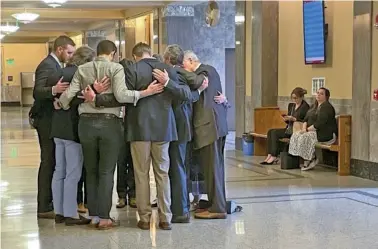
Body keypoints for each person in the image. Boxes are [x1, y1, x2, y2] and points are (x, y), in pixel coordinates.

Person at [58, 40, 163, 230]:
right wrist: (144, 93)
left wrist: (61, 104)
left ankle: (94, 215)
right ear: (113, 53)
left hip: (86, 124)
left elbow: (67, 96)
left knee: (90, 170)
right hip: (110, 124)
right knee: (106, 171)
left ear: (97, 52)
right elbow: (122, 96)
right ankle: (105, 218)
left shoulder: (82, 69)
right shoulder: (116, 68)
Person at [125, 42, 192, 230]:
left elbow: (125, 97)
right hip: (163, 129)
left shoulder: (132, 69)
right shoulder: (167, 69)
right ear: (150, 53)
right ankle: (165, 217)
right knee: (162, 173)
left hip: (139, 128)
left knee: (141, 174)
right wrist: (167, 83)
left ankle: (145, 218)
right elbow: (185, 94)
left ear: (135, 56)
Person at [153, 44, 208, 223]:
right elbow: (190, 95)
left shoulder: (173, 74)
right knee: (179, 168)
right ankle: (180, 208)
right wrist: (198, 91)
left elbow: (184, 93)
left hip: (176, 127)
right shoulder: (188, 76)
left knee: (176, 169)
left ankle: (181, 210)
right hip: (182, 126)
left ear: (167, 59)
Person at [48, 46, 96, 225]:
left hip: (57, 129)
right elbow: (83, 98)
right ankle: (70, 213)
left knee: (59, 170)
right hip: (73, 130)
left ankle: (59, 211)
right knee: (73, 173)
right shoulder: (81, 75)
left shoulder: (58, 73)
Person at [31, 35, 76, 219]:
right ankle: (44, 205)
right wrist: (53, 91)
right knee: (48, 160)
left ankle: (48, 202)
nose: (71, 56)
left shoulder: (55, 65)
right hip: (46, 121)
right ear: (60, 50)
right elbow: (37, 92)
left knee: (51, 161)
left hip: (50, 119)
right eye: (69, 52)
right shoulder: (48, 65)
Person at [182, 50, 228, 219]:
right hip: (215, 127)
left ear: (191, 60)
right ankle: (214, 203)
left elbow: (197, 85)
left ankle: (217, 208)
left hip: (209, 128)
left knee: (213, 169)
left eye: (183, 65)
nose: (183, 68)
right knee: (212, 169)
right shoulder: (210, 70)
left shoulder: (205, 72)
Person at [289, 87, 337, 171]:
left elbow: (319, 123)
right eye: (317, 93)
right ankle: (305, 158)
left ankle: (311, 158)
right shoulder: (313, 106)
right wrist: (304, 129)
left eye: (321, 93)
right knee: (296, 135)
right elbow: (305, 119)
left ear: (326, 96)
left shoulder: (327, 107)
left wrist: (307, 130)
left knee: (305, 137)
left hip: (325, 133)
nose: (318, 94)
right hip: (313, 131)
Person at [261, 87, 310, 165]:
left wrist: (294, 119)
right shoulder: (292, 106)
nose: (294, 100)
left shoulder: (305, 107)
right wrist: (286, 119)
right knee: (270, 131)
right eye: (292, 98)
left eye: (296, 98)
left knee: (275, 133)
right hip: (289, 128)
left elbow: (305, 121)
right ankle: (269, 154)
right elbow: (289, 120)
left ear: (301, 97)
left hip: (296, 130)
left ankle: (274, 156)